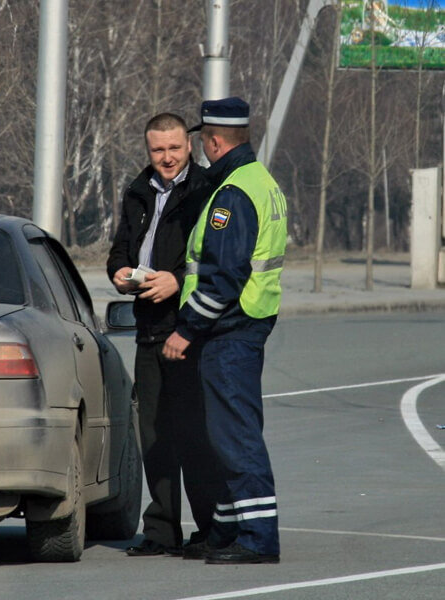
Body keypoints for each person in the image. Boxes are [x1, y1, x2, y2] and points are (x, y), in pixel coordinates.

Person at [163, 97, 287, 565]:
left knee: (234, 435)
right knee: (226, 432)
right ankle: (228, 529)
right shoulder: (261, 181)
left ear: (213, 141)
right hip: (246, 325)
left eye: (201, 141)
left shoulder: (232, 193)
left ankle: (256, 539)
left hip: (230, 330)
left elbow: (223, 275)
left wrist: (186, 329)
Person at [107, 112, 223, 559]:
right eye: (158, 150)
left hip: (190, 328)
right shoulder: (137, 191)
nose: (167, 158)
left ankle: (210, 529)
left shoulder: (207, 190)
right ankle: (160, 530)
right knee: (152, 434)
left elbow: (213, 256)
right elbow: (120, 247)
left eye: (174, 148)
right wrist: (118, 270)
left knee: (194, 433)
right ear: (148, 150)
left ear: (188, 147)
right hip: (148, 329)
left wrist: (176, 280)